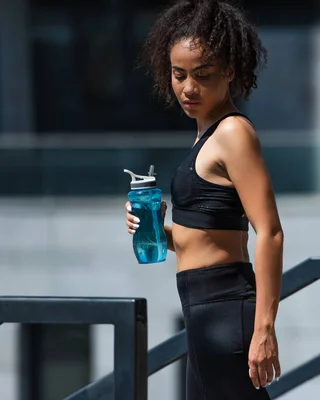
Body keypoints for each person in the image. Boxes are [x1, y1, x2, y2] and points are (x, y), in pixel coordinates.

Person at [125, 1, 283, 398]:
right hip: (201, 312)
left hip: (226, 309)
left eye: (202, 75)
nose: (188, 88)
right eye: (179, 75)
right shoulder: (206, 135)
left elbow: (270, 232)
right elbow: (209, 237)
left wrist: (264, 327)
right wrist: (157, 230)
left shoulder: (233, 133)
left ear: (229, 72)